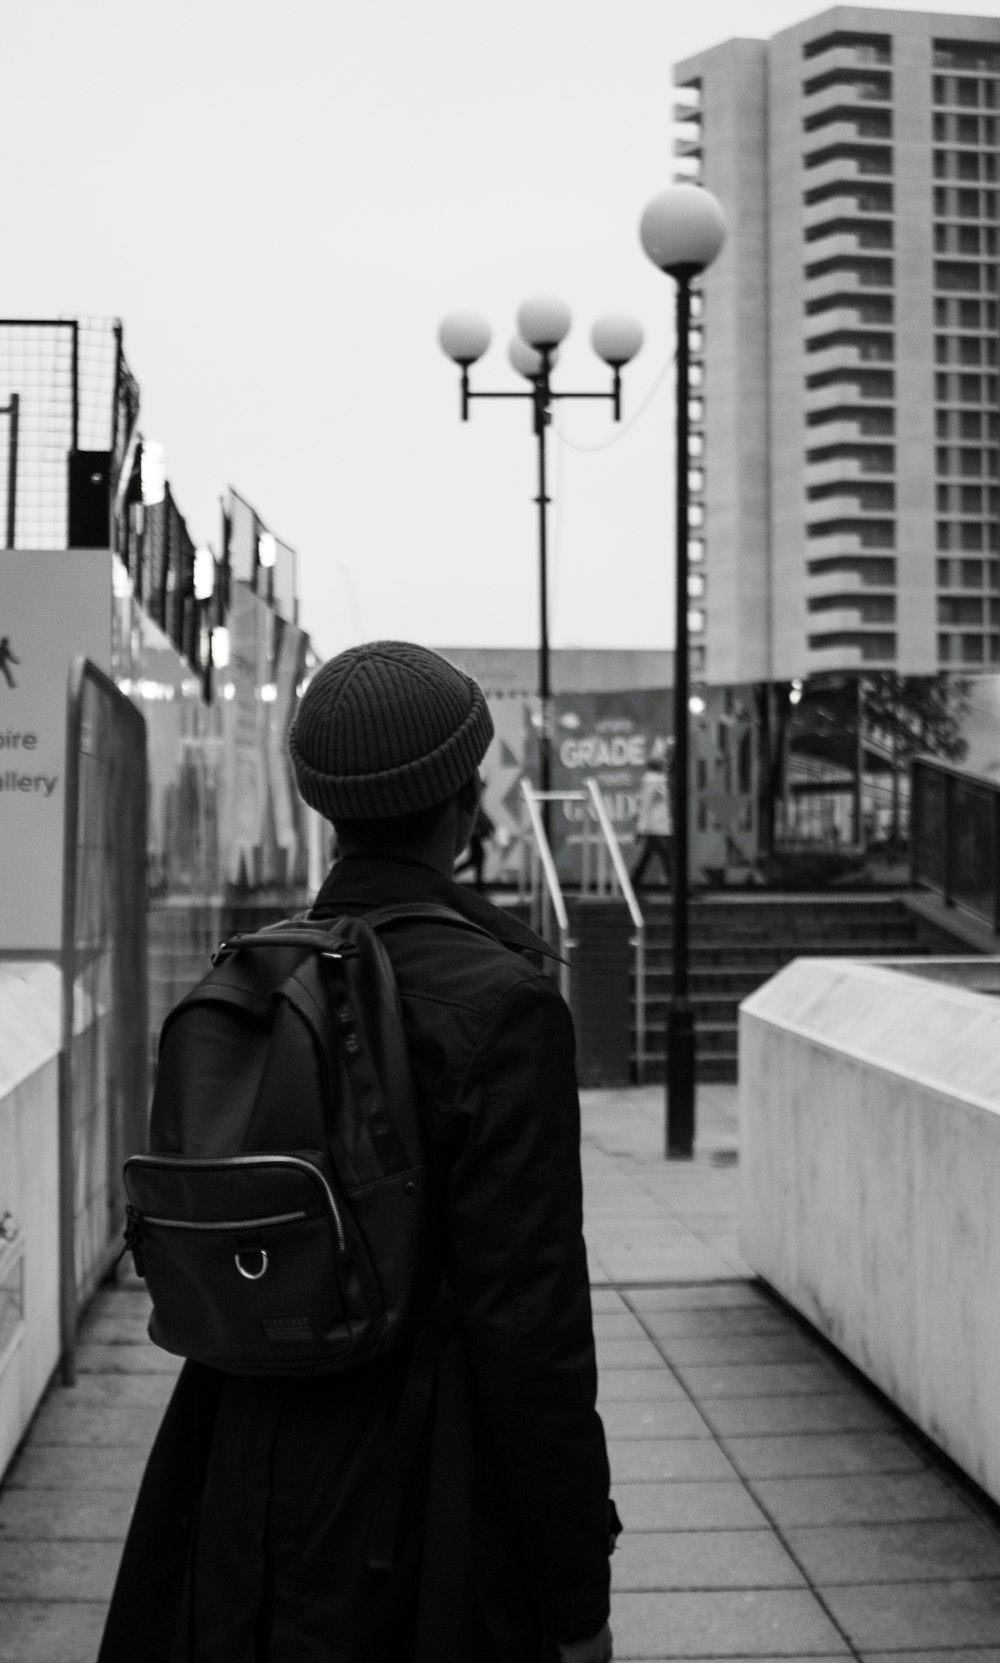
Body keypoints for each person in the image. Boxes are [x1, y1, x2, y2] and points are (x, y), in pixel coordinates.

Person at [98, 640, 618, 1663]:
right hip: (421, 1510)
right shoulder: (504, 1005)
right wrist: (576, 1594)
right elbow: (531, 1330)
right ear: (461, 803)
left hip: (236, 1473)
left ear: (326, 808)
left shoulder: (256, 974)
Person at [630, 743, 673, 892]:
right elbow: (645, 804)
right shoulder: (653, 780)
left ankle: (632, 884)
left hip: (657, 826)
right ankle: (678, 888)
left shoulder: (657, 779)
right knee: (669, 856)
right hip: (657, 827)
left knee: (648, 857)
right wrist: (640, 829)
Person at [453, 795, 495, 891]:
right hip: (474, 833)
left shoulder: (476, 799)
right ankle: (479, 886)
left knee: (477, 858)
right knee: (478, 857)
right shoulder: (475, 799)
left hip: (474, 832)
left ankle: (479, 885)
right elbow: (480, 814)